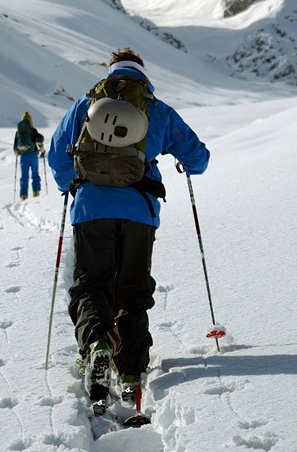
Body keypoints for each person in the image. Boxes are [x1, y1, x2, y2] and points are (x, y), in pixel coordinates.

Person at [48, 47, 209, 406]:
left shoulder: (85, 105)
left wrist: (68, 184)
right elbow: (199, 157)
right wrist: (186, 165)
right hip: (140, 212)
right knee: (132, 291)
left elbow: (57, 153)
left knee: (91, 285)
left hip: (91, 210)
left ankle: (97, 343)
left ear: (111, 71)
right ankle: (132, 371)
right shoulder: (157, 108)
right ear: (142, 73)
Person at [14, 111, 45, 200]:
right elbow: (40, 142)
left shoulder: (18, 132)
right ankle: (36, 191)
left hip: (23, 156)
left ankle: (23, 194)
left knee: (24, 175)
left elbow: (15, 148)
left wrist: (19, 153)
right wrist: (42, 151)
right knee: (35, 173)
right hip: (33, 155)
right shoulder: (33, 130)